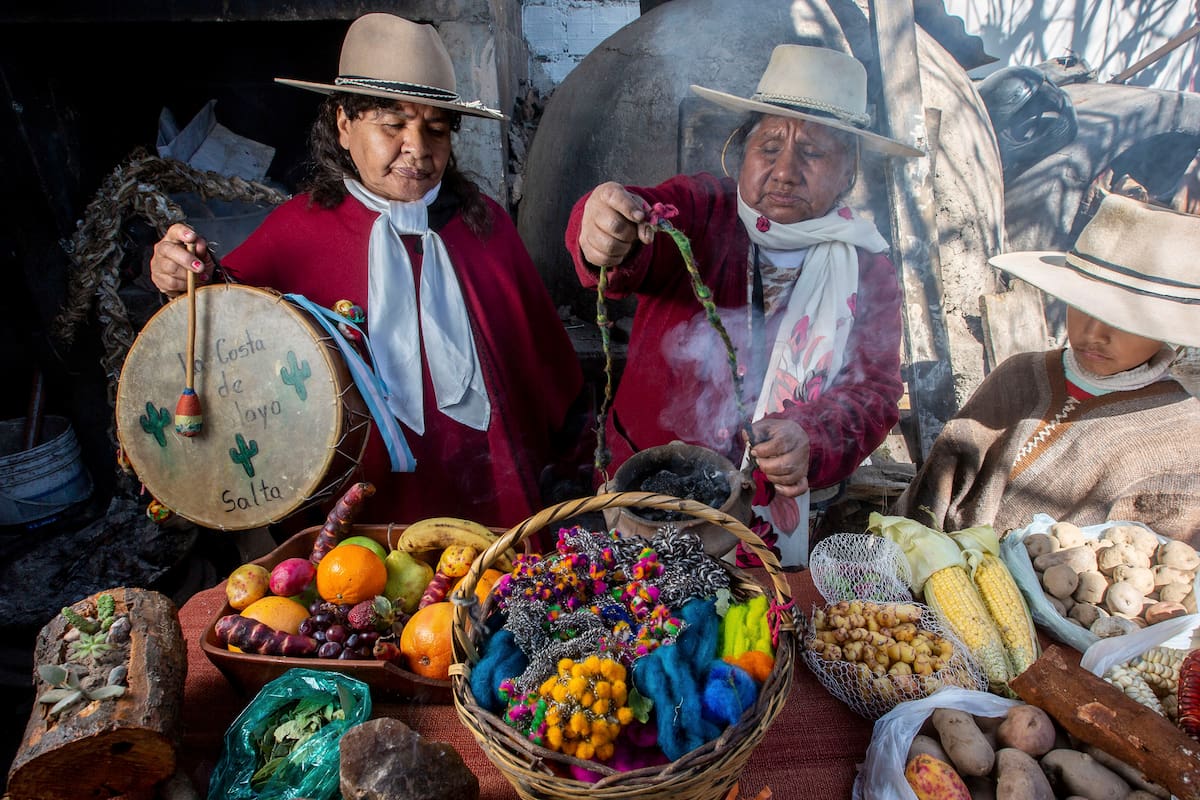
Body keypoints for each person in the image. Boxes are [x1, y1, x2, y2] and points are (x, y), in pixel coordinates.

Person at [150, 13, 587, 531]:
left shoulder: (484, 225)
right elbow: (226, 327)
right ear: (343, 124)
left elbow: (547, 368)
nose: (418, 149)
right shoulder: (297, 231)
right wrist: (180, 273)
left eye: (436, 128)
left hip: (492, 500)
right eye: (393, 124)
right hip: (357, 515)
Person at [566, 45, 922, 566]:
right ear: (742, 149)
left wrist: (812, 436)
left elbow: (874, 392)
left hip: (759, 518)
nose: (784, 171)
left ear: (849, 172)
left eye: (814, 153)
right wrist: (602, 226)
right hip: (645, 496)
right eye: (770, 145)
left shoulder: (867, 269)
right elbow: (637, 221)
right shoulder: (700, 209)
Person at [890, 193, 1200, 546]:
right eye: (1082, 306)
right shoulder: (1020, 376)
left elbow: (1166, 563)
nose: (1092, 334)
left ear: (1168, 328)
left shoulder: (1183, 436)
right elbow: (935, 485)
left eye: (1123, 320)